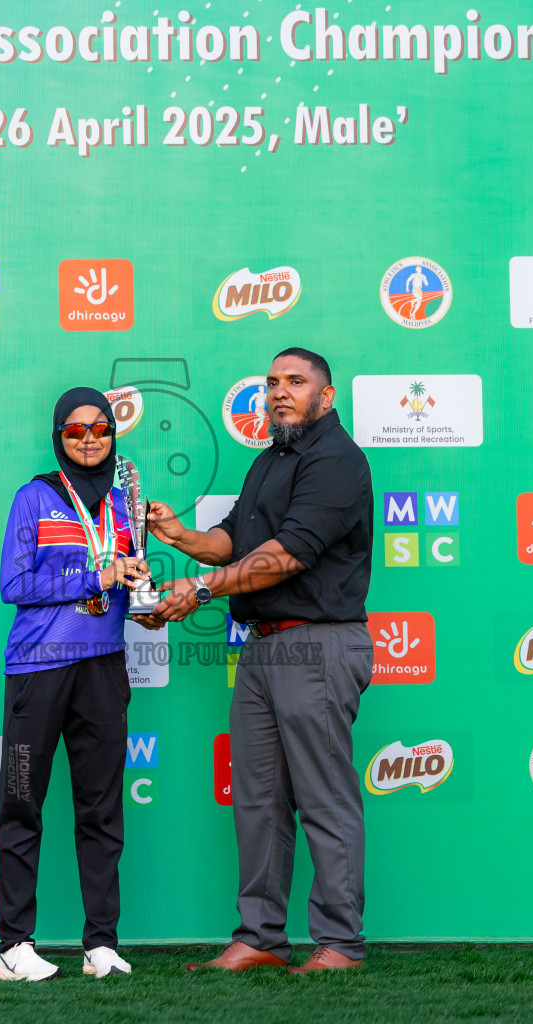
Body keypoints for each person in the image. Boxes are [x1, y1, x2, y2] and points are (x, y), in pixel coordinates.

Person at [145, 347, 373, 974]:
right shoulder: (268, 460)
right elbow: (234, 545)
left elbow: (290, 554)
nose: (279, 392)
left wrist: (201, 589)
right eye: (272, 382)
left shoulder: (337, 460)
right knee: (259, 800)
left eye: (295, 382)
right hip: (264, 645)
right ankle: (262, 936)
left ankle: (341, 945)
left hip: (319, 642)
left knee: (324, 798)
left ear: (326, 397)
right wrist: (180, 537)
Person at [0, 387, 150, 982]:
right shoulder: (34, 497)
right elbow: (14, 582)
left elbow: (122, 584)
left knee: (102, 808)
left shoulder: (122, 502)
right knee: (22, 801)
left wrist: (142, 598)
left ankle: (101, 945)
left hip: (104, 666)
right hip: (39, 668)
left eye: (101, 429)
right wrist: (97, 573)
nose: (90, 439)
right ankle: (15, 946)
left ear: (113, 434)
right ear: (59, 436)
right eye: (76, 430)